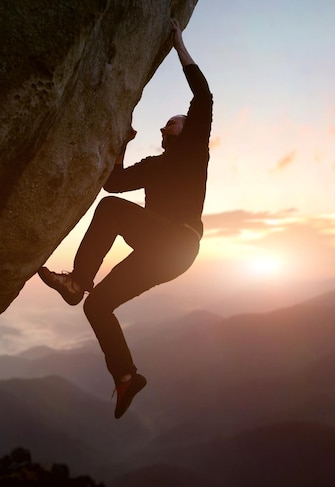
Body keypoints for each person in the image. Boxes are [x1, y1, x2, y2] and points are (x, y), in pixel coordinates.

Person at [37, 18, 213, 419]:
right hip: (160, 253)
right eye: (172, 121)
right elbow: (113, 183)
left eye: (178, 119)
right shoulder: (153, 165)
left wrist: (179, 44)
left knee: (111, 217)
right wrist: (120, 142)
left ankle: (78, 279)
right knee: (96, 307)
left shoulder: (194, 152)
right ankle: (127, 376)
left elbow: (202, 94)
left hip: (179, 243)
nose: (174, 121)